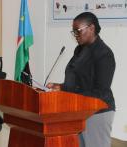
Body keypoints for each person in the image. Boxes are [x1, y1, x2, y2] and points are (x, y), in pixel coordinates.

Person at [46, 12, 115, 147]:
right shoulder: (80, 50)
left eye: (78, 31)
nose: (76, 35)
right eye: (74, 32)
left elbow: (100, 92)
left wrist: (67, 91)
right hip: (77, 111)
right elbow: (78, 81)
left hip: (97, 113)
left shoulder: (104, 54)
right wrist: (60, 87)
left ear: (91, 28)